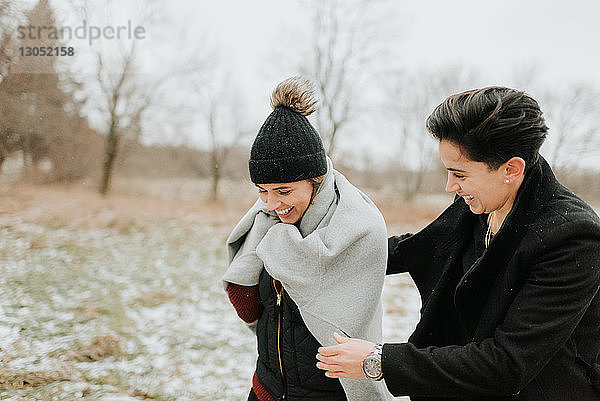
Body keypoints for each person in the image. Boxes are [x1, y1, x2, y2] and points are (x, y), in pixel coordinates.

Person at [316, 86, 600, 400]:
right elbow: (419, 249)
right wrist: (330, 257)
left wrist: (379, 360)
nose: (451, 185)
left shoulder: (573, 238)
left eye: (459, 174)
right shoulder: (483, 201)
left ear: (511, 169)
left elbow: (507, 364)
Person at [223, 77, 392, 401]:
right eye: (263, 192)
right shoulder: (265, 223)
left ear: (317, 181)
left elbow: (350, 328)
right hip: (267, 389)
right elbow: (249, 308)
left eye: (284, 191)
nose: (272, 204)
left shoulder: (359, 228)